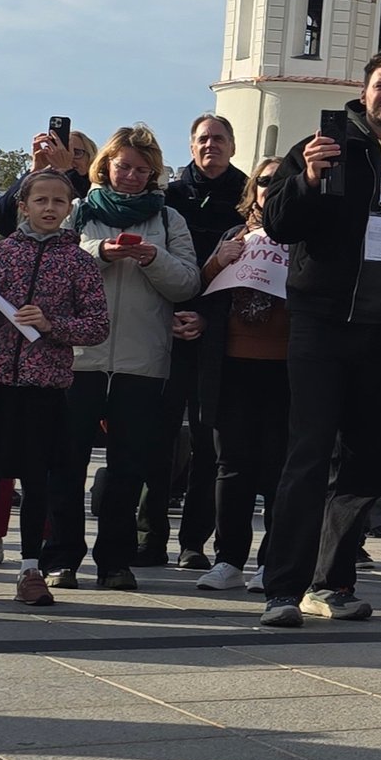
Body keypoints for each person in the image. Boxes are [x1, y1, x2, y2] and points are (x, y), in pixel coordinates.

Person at [257, 50, 381, 627]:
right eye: (380, 86)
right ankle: (283, 588)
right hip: (320, 323)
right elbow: (279, 224)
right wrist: (310, 178)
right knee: (309, 454)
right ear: (363, 93)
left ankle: (332, 581)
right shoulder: (320, 149)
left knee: (366, 464)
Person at [50, 125, 201, 590]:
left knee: (128, 466)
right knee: (66, 463)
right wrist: (102, 253)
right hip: (78, 357)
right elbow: (55, 268)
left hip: (142, 361)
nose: (132, 176)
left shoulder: (169, 219)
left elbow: (189, 284)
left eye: (142, 169)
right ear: (107, 166)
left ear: (153, 173)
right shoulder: (78, 212)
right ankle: (62, 557)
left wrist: (154, 258)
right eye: (124, 166)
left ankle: (115, 560)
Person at [0, 171, 109, 605]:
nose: (50, 208)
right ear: (23, 204)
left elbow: (97, 326)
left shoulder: (79, 262)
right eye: (41, 200)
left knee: (37, 480)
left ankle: (30, 568)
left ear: (70, 207)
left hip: (45, 386)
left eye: (60, 201)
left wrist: (52, 325)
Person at [139, 114, 248, 571]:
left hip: (219, 334)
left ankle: (193, 542)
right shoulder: (167, 196)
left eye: (219, 139)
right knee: (158, 439)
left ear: (232, 145)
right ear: (191, 144)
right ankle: (149, 536)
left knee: (208, 443)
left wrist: (203, 316)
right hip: (168, 324)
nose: (211, 146)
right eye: (203, 139)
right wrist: (174, 315)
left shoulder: (246, 196)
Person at [190, 158, 289, 592]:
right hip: (232, 364)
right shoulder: (233, 236)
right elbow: (198, 290)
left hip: (287, 367)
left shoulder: (307, 236)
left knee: (279, 468)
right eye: (264, 181)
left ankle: (273, 562)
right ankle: (228, 559)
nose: (271, 188)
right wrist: (216, 262)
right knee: (231, 465)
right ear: (253, 190)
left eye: (281, 181)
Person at [0, 129, 96, 239]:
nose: (67, 157)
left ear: (91, 159)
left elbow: (85, 207)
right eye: (62, 152)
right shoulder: (40, 185)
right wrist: (34, 172)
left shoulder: (98, 189)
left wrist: (67, 169)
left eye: (76, 153)